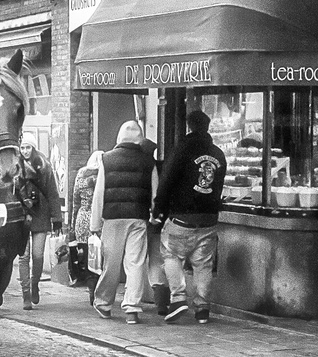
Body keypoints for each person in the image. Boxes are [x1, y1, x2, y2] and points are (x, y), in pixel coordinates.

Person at [151, 109, 227, 325]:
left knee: (171, 254)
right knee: (203, 264)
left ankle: (178, 299)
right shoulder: (219, 154)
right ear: (208, 127)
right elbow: (218, 186)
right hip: (209, 218)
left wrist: (158, 210)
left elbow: (166, 182)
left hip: (182, 216)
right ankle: (203, 309)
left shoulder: (181, 150)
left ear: (189, 126)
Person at [89, 120, 158, 324]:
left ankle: (103, 303)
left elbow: (99, 194)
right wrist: (154, 215)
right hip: (138, 217)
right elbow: (155, 193)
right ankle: (132, 308)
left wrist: (95, 224)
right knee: (135, 263)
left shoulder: (106, 159)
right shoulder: (148, 162)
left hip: (113, 217)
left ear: (119, 137)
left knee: (111, 263)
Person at [15, 131, 62, 311]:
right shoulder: (14, 165)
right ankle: (26, 294)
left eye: (28, 147)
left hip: (40, 214)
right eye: (23, 147)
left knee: (38, 255)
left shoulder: (44, 165)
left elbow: (52, 193)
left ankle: (35, 284)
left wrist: (57, 218)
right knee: (23, 257)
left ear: (33, 148)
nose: (25, 151)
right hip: (21, 215)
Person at [140, 136, 171, 315]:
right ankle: (161, 300)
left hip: (140, 218)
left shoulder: (140, 168)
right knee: (156, 259)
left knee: (134, 260)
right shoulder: (162, 168)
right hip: (158, 221)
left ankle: (132, 299)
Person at [69, 150, 103, 302]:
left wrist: (72, 223)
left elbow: (75, 200)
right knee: (101, 257)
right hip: (100, 219)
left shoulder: (81, 175)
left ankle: (91, 288)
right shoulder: (104, 175)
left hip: (82, 218)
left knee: (88, 256)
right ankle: (99, 289)